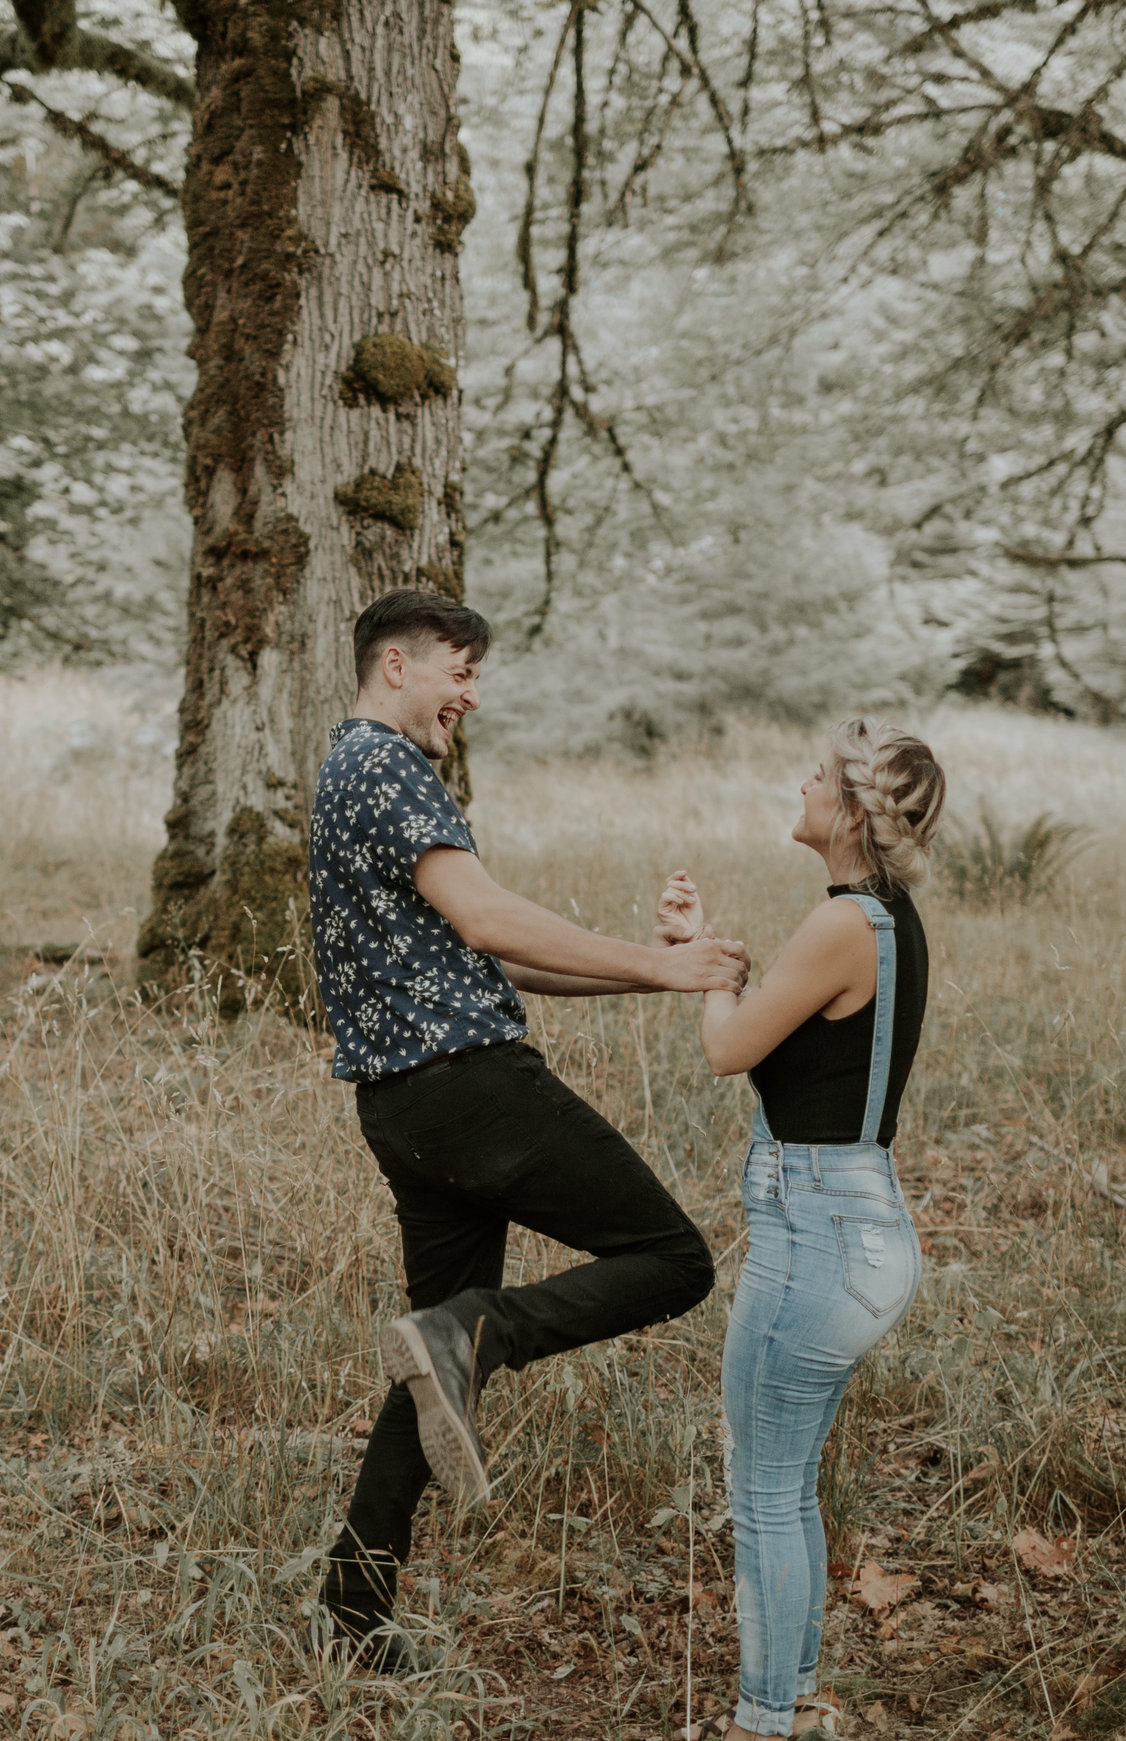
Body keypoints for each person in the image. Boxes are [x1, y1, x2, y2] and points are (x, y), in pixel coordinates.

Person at [307, 587, 749, 1670]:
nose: (471, 693)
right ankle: (478, 1333)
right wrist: (659, 961)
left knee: (428, 1367)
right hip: (472, 1094)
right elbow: (490, 918)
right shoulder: (386, 769)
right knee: (671, 1258)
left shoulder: (349, 773)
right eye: (458, 670)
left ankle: (355, 1613)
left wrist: (657, 978)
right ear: (396, 665)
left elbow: (494, 960)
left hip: (405, 1109)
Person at [657, 719, 946, 1741]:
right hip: (857, 1225)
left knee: (764, 1491)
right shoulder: (886, 917)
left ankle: (761, 1722)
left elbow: (729, 1046)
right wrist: (705, 956)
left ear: (855, 812)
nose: (802, 782)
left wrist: (707, 969)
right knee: (786, 1486)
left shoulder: (839, 924)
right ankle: (796, 1699)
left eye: (818, 776)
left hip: (816, 1235)